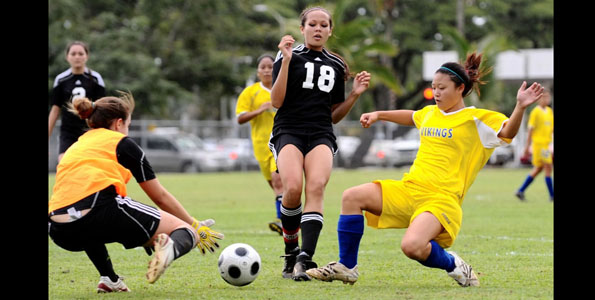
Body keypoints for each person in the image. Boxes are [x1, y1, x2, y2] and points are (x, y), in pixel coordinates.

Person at [306, 52, 544, 287]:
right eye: (434, 87)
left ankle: (453, 264)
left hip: (441, 200)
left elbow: (507, 132)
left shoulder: (476, 119)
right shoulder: (430, 113)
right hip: (409, 190)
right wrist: (379, 114)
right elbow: (412, 116)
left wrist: (520, 107)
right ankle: (347, 267)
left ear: (460, 88)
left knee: (412, 247)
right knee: (351, 196)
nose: (436, 93)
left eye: (442, 88)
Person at [48, 91, 224, 293]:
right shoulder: (121, 143)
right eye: (128, 126)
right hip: (100, 211)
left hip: (59, 229)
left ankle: (110, 279)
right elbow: (160, 196)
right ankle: (169, 249)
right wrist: (194, 225)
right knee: (185, 233)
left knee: (87, 220)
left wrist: (143, 233)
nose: (127, 132)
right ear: (118, 123)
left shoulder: (76, 146)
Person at [269, 6, 371, 281]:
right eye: (312, 24)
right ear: (302, 29)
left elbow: (333, 116)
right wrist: (287, 61)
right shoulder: (287, 55)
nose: (317, 29)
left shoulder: (337, 65)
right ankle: (291, 251)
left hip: (320, 133)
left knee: (316, 186)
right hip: (288, 129)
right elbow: (276, 102)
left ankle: (305, 258)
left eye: (323, 25)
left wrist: (354, 96)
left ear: (330, 30)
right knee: (292, 188)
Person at [236, 53, 284, 235]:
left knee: (279, 180)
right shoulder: (250, 92)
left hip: (281, 142)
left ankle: (282, 221)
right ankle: (291, 217)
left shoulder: (283, 88)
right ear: (257, 72)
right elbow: (240, 118)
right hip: (260, 146)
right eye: (263, 67)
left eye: (270, 67)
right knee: (276, 186)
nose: (266, 70)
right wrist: (260, 110)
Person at [49, 41, 106, 163]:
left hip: (90, 130)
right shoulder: (61, 80)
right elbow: (55, 110)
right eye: (73, 53)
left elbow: (102, 108)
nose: (77, 57)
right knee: (64, 164)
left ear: (87, 56)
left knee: (89, 166)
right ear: (67, 56)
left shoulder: (96, 79)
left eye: (80, 53)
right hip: (68, 131)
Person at [515, 88, 554, 202]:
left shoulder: (549, 111)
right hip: (539, 145)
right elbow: (530, 130)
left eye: (548, 96)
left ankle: (520, 191)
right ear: (538, 99)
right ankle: (552, 196)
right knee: (548, 167)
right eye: (543, 96)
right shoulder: (535, 112)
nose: (546, 99)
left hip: (546, 145)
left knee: (538, 169)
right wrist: (527, 147)